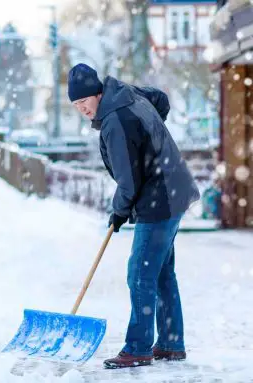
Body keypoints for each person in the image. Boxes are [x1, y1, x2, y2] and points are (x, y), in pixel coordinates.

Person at [67, 63, 200, 369]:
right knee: (161, 272)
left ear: (97, 93)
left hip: (159, 199)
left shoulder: (115, 121)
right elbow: (161, 99)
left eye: (84, 100)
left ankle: (139, 347)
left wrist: (118, 212)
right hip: (173, 189)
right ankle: (170, 342)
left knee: (140, 274)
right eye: (76, 104)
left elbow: (128, 181)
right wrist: (152, 139)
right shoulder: (127, 95)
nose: (82, 108)